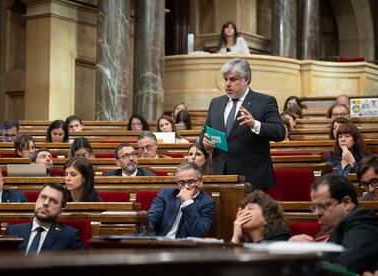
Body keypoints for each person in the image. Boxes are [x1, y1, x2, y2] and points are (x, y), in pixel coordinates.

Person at [200, 59, 285, 191]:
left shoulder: (264, 102)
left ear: (247, 80)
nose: (228, 84)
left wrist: (255, 124)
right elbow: (205, 131)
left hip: (252, 179)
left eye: (233, 79)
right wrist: (204, 141)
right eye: (225, 79)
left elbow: (279, 132)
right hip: (220, 176)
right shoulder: (216, 103)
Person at [290, 174, 378, 274]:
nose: (317, 213)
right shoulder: (323, 234)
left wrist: (305, 258)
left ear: (346, 203)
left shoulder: (363, 220)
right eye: (314, 207)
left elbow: (343, 268)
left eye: (323, 206)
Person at [6, 183, 85, 253]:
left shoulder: (69, 236)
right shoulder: (13, 231)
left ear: (61, 211)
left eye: (53, 201)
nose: (45, 203)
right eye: (43, 197)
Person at [147, 162, 215, 238]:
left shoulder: (207, 202)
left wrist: (188, 202)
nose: (186, 187)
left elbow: (198, 233)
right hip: (161, 243)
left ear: (200, 182)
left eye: (190, 182)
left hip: (185, 247)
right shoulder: (166, 194)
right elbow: (151, 219)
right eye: (182, 183)